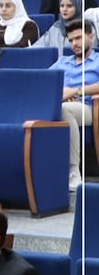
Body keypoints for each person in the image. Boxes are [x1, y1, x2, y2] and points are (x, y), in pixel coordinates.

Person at [51, 20, 98, 189]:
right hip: (60, 103)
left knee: (65, 110)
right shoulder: (62, 61)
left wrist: (76, 91)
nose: (74, 44)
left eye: (78, 38)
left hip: (89, 107)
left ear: (91, 37)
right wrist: (61, 92)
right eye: (71, 40)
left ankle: (73, 171)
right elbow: (45, 81)